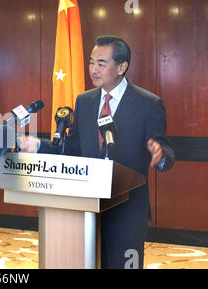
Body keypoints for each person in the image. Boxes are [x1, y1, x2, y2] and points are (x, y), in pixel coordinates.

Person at [19, 35, 174, 269]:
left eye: (101, 63)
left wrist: (161, 156)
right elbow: (72, 149)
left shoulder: (148, 104)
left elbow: (167, 152)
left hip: (128, 211)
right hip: (86, 209)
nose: (93, 69)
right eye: (91, 62)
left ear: (122, 67)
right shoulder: (85, 101)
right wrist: (39, 146)